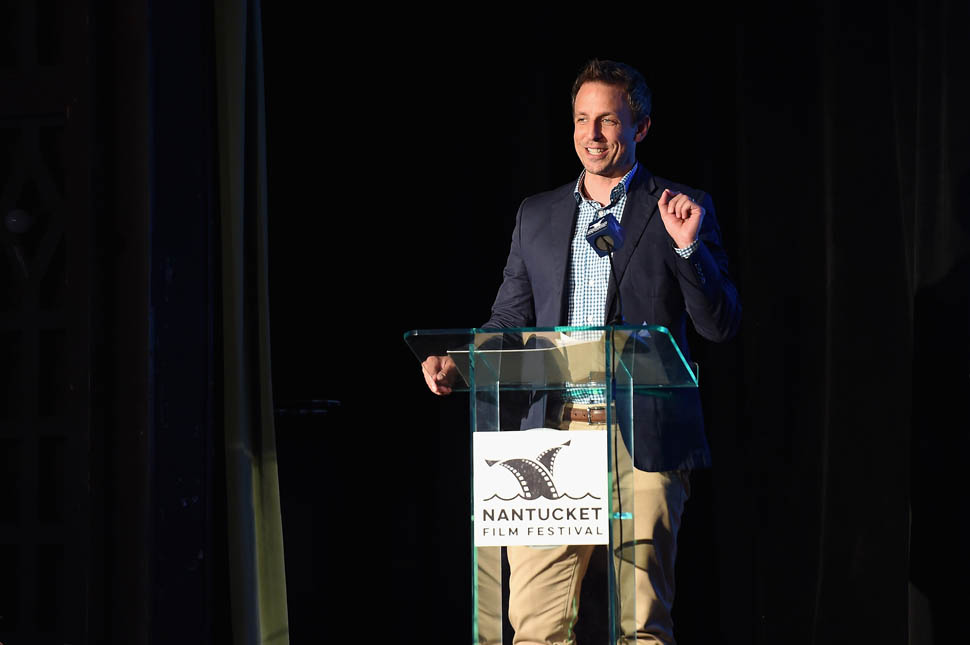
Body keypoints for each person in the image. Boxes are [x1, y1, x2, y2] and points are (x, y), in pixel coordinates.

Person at [422, 59, 741, 644]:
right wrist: (461, 364)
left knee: (641, 627)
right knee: (535, 628)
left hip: (641, 437)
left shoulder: (679, 207)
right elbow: (508, 321)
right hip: (551, 435)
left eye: (608, 121)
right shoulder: (537, 215)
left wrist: (688, 250)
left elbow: (718, 325)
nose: (592, 135)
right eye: (581, 120)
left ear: (640, 127)